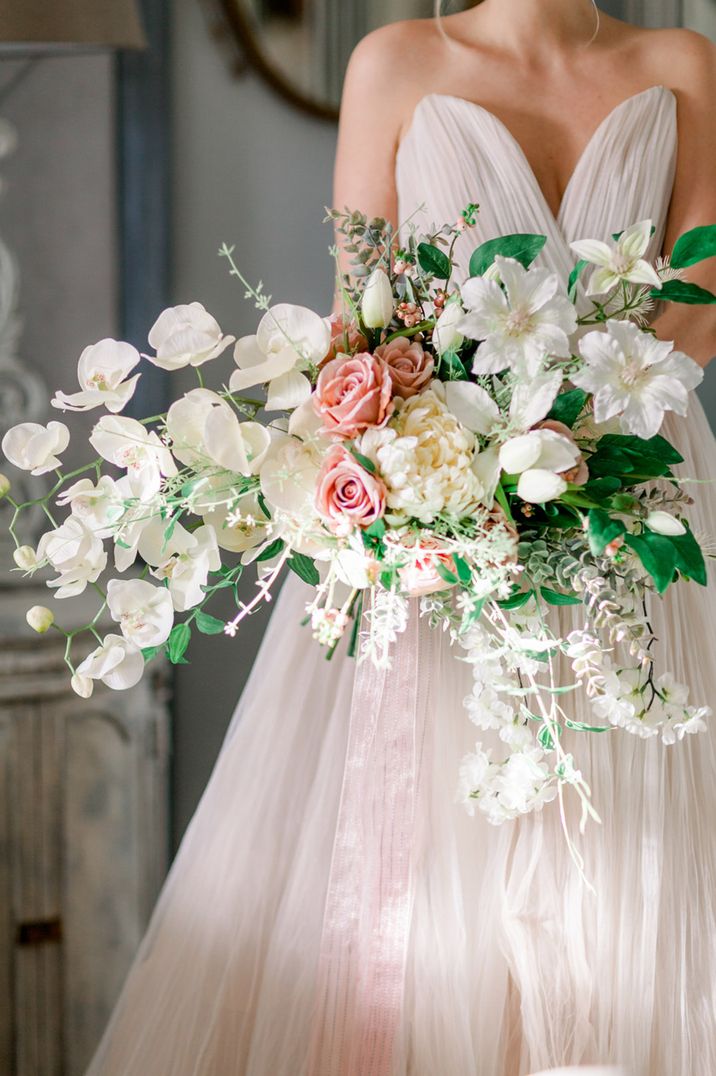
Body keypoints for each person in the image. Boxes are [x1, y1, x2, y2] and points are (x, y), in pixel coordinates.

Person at [86, 3, 716, 1074]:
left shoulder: (680, 63)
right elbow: (357, 321)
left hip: (635, 482)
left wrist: (560, 445)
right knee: (436, 844)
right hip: (442, 503)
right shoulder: (395, 63)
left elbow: (700, 292)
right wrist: (442, 475)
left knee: (630, 818)